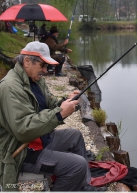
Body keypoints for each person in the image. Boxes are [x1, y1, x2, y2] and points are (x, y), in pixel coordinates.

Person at [0, 41, 105, 191]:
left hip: (40, 139)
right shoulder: (10, 87)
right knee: (78, 165)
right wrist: (59, 114)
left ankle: (82, 185)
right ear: (27, 61)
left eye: (47, 66)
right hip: (21, 152)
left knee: (74, 136)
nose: (45, 70)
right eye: (42, 65)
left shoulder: (35, 80)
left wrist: (67, 101)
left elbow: (51, 104)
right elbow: (24, 130)